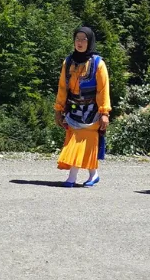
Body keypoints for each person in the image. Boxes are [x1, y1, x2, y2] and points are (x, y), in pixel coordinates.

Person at [54, 27, 111, 187]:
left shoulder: (98, 64)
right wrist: (58, 109)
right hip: (73, 110)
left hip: (92, 111)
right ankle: (94, 175)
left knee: (82, 142)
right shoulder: (68, 62)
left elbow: (103, 89)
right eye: (77, 38)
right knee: (79, 142)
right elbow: (62, 87)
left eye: (83, 39)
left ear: (90, 41)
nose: (79, 42)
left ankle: (72, 176)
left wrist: (104, 112)